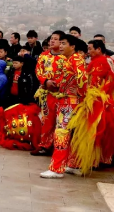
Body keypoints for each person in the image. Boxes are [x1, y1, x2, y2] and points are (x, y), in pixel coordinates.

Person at [67, 39, 114, 175]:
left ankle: (95, 160)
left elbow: (111, 82)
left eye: (90, 48)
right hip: (96, 100)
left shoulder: (104, 62)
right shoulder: (97, 62)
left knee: (97, 131)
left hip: (101, 101)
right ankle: (94, 159)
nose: (88, 51)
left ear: (99, 49)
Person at [40, 34, 87, 179]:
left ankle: (56, 168)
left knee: (61, 133)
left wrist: (79, 93)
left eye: (63, 43)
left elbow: (83, 79)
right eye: (59, 43)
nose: (60, 46)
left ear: (72, 47)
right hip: (66, 100)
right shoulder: (69, 59)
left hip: (70, 102)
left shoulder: (76, 59)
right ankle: (74, 164)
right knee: (73, 134)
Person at [32, 30, 65, 157]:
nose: (52, 41)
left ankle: (60, 147)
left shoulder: (65, 57)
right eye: (51, 38)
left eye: (55, 39)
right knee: (46, 121)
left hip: (62, 94)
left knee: (61, 122)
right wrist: (46, 82)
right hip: (47, 93)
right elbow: (38, 71)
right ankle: (44, 145)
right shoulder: (44, 56)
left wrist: (56, 83)